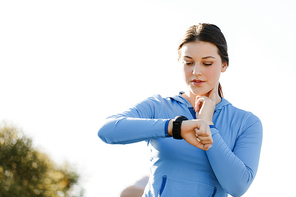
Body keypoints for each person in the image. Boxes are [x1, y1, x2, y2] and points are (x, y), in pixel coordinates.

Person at [98, 23, 262, 197]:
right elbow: (108, 130)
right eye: (189, 62)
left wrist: (208, 125)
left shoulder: (246, 122)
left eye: (207, 63)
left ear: (224, 65)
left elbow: (238, 186)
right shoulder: (159, 106)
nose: (196, 72)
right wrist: (176, 127)